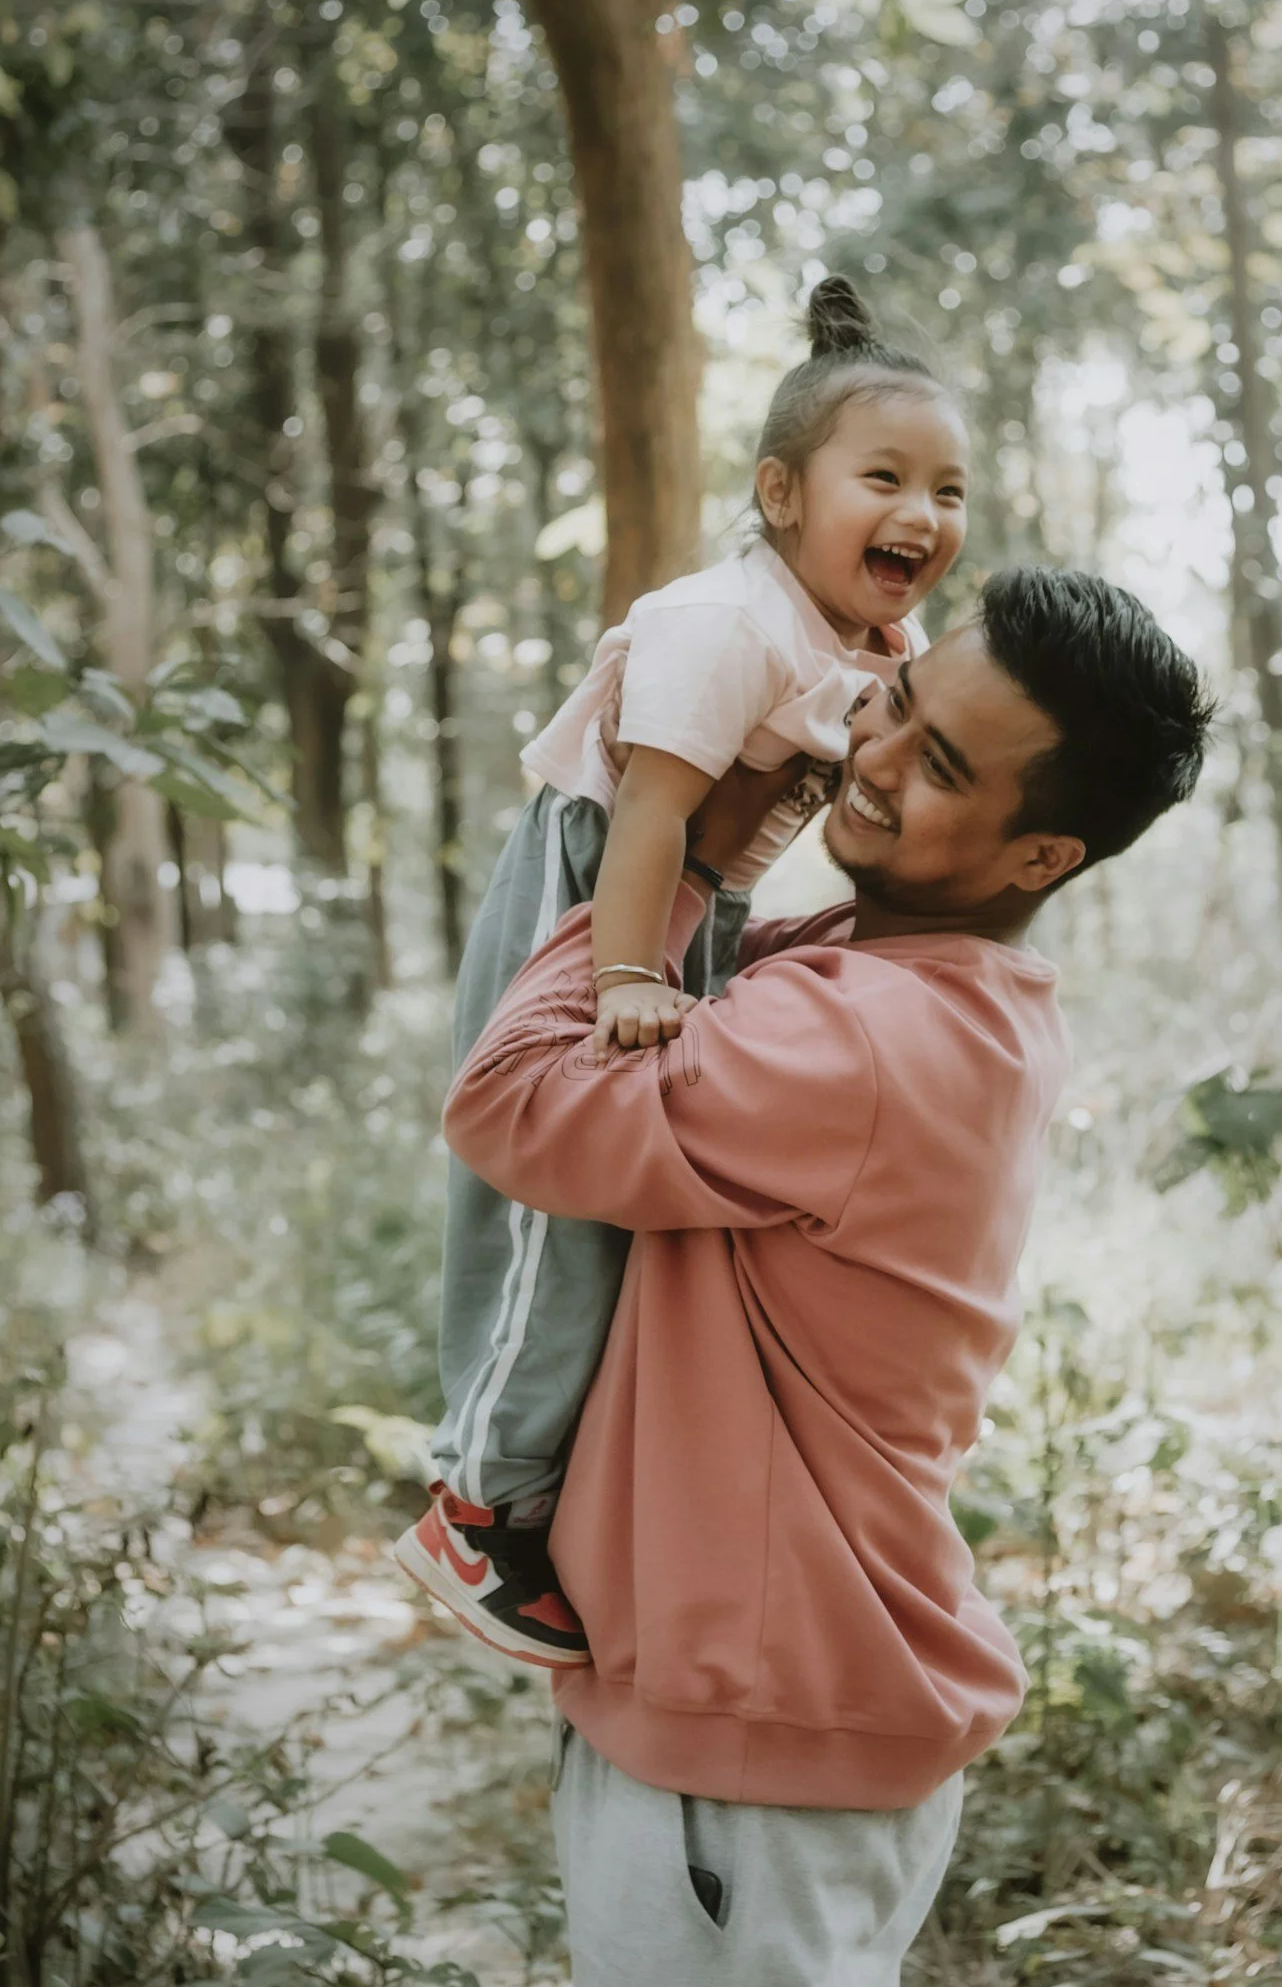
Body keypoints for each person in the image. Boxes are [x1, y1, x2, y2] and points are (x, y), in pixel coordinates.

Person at [439, 568, 1215, 1987]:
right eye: (892, 705)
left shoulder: (858, 1031)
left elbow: (504, 1104)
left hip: (754, 1726)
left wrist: (684, 845)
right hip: (753, 1707)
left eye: (941, 766)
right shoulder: (882, 976)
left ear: (1039, 860)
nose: (869, 759)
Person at [399, 277, 971, 1667]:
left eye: (949, 492)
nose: (924, 515)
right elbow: (649, 812)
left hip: (687, 903)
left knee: (644, 1201)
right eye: (883, 478)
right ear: (781, 494)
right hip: (599, 885)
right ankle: (471, 1505)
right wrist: (615, 983)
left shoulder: (868, 639)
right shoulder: (727, 622)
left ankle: (554, 1480)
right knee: (559, 1206)